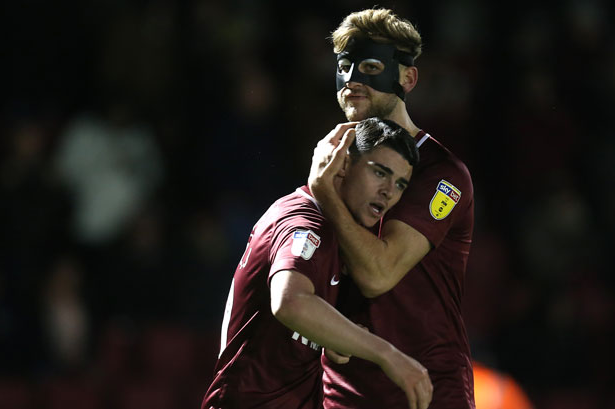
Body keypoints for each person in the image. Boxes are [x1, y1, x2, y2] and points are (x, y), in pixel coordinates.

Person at [201, 118, 433, 409]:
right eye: (379, 172)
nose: (389, 191)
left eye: (400, 184)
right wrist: (388, 355)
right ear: (343, 164)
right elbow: (290, 302)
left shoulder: (339, 233)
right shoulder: (305, 222)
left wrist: (336, 335)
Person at [308, 8, 476, 408]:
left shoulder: (442, 174)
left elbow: (378, 274)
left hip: (427, 390)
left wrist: (324, 192)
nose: (352, 81)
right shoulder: (336, 158)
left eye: (369, 66)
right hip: (346, 392)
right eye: (345, 67)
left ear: (408, 77)